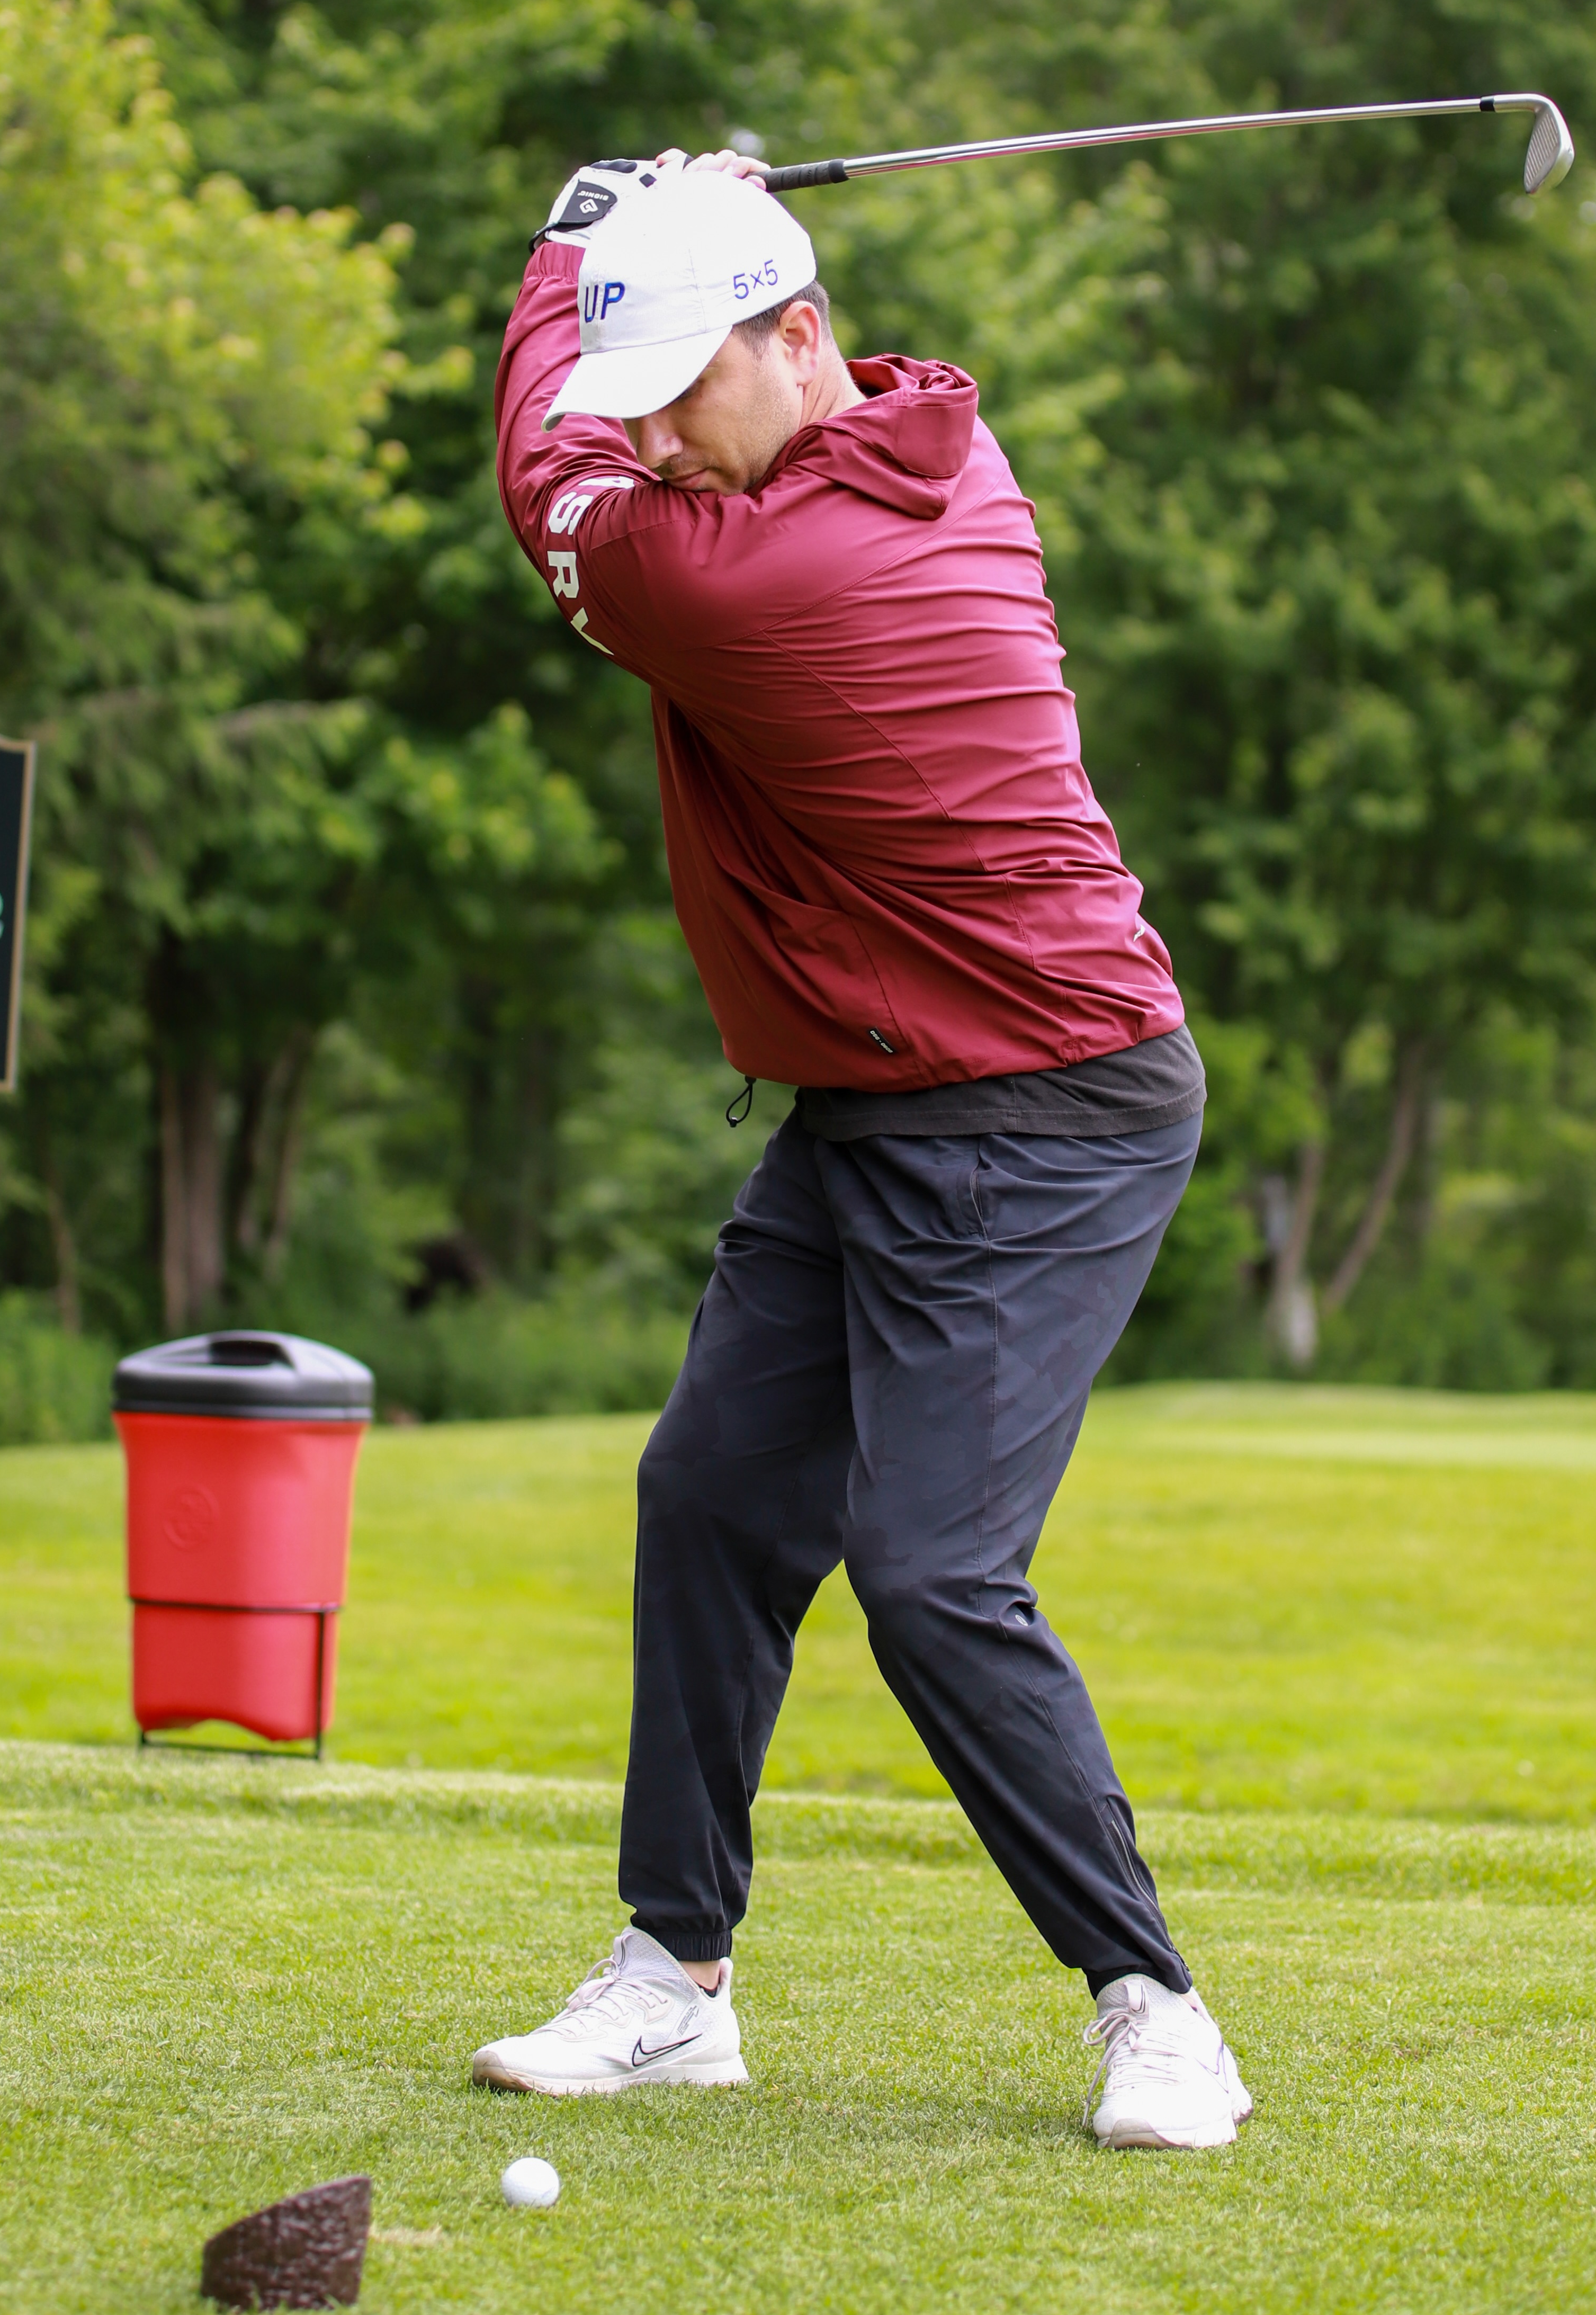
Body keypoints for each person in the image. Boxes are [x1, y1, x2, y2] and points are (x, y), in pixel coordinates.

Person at [473, 149, 1251, 2151]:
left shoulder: (769, 578)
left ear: (802, 335)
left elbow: (547, 479)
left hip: (1049, 1107)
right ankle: (674, 1982)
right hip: (882, 1092)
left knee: (932, 1573)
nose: (653, 438)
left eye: (682, 392)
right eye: (640, 399)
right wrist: (642, 255)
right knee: (712, 1492)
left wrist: (566, 245)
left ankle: (1158, 2010)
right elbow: (616, 429)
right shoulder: (928, 446)